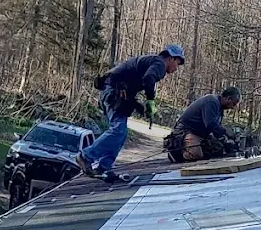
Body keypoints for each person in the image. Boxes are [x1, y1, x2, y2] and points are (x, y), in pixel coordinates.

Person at [79, 44, 185, 182]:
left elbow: (131, 81)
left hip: (111, 89)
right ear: (170, 58)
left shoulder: (151, 61)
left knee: (120, 133)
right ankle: (85, 157)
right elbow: (148, 79)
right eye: (177, 63)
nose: (176, 68)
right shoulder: (159, 63)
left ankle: (103, 166)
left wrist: (139, 107)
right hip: (113, 91)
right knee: (118, 130)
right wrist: (150, 101)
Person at [165, 86, 242, 163]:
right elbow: (210, 123)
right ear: (228, 98)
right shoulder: (212, 102)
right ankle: (176, 154)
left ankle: (197, 150)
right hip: (186, 130)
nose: (233, 107)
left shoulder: (219, 108)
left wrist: (225, 140)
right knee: (196, 154)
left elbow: (215, 129)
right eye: (234, 104)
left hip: (200, 134)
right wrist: (226, 132)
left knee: (218, 148)